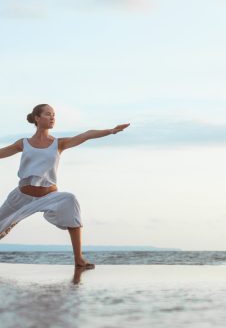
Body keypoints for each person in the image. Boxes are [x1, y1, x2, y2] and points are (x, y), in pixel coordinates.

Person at [0, 104, 130, 269]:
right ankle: (9, 224)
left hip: (49, 196)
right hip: (21, 197)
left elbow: (86, 135)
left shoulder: (58, 144)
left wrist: (110, 131)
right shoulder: (23, 143)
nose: (53, 117)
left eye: (54, 114)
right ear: (37, 118)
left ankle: (79, 258)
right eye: (48, 114)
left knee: (70, 200)